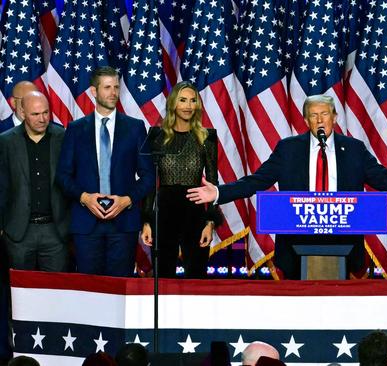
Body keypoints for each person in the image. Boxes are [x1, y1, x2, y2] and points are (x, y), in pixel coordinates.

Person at [187, 95, 387, 279]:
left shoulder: (353, 149)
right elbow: (257, 181)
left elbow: (385, 180)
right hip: (296, 243)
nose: (319, 120)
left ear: (335, 117)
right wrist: (219, 192)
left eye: (324, 114)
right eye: (313, 115)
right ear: (305, 121)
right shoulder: (289, 149)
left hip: (342, 242)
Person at [56, 66, 155, 277]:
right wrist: (85, 198)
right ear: (94, 91)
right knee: (89, 291)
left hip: (123, 224)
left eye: (116, 87)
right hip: (86, 224)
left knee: (120, 291)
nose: (113, 93)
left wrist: (127, 200)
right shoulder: (75, 129)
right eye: (107, 87)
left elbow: (148, 176)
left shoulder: (135, 127)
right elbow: (63, 176)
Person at [140, 82, 223, 278]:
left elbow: (213, 181)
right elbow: (150, 182)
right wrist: (146, 221)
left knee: (196, 276)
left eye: (193, 100)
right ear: (173, 104)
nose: (188, 106)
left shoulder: (207, 137)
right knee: (163, 276)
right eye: (183, 100)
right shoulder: (157, 136)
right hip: (164, 213)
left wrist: (210, 222)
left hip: (194, 211)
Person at [0, 91, 70, 271]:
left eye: (46, 112)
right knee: (20, 295)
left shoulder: (63, 137)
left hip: (55, 231)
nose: (42, 119)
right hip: (19, 232)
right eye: (35, 114)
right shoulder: (6, 141)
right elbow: (2, 186)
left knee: (55, 293)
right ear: (22, 113)